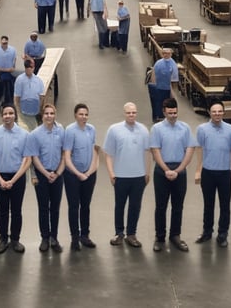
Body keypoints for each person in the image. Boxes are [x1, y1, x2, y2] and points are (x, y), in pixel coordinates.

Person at [150, 97, 196, 253]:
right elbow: (155, 151)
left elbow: (190, 150)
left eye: (175, 113)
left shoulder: (185, 128)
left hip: (179, 169)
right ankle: (160, 237)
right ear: (164, 112)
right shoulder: (156, 129)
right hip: (162, 170)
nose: (173, 116)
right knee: (161, 206)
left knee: (178, 206)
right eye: (170, 113)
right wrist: (166, 170)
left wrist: (178, 170)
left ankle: (175, 235)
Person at [103, 102, 150, 248]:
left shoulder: (143, 130)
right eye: (129, 113)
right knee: (120, 205)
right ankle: (119, 233)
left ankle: (131, 234)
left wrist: (147, 172)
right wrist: (111, 173)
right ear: (124, 113)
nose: (131, 115)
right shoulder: (114, 130)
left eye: (134, 112)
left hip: (139, 176)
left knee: (135, 206)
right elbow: (108, 154)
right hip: (120, 176)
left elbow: (148, 153)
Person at [0, 104, 31, 254]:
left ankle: (15, 240)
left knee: (16, 210)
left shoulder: (24, 135)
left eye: (11, 113)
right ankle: (3, 239)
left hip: (17, 177)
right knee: (2, 211)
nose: (8, 116)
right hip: (0, 177)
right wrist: (0, 179)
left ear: (15, 115)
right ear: (2, 116)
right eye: (5, 113)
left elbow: (27, 160)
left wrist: (14, 180)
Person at [195, 101, 231, 247]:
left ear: (224, 112)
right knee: (208, 204)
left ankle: (223, 233)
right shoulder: (202, 129)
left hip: (224, 173)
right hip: (208, 172)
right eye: (214, 111)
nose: (217, 114)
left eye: (220, 111)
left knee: (225, 205)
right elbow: (200, 149)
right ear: (209, 112)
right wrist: (198, 169)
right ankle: (207, 231)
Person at [26, 104, 66, 253]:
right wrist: (43, 173)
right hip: (42, 176)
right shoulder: (35, 134)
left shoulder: (61, 131)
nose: (49, 116)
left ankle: (54, 238)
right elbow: (34, 157)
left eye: (52, 113)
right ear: (42, 116)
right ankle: (44, 237)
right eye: (46, 113)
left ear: (55, 115)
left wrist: (58, 173)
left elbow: (64, 154)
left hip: (57, 175)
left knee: (55, 208)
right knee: (43, 208)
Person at [63, 103, 99, 251]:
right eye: (81, 114)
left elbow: (94, 151)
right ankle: (74, 238)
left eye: (86, 114)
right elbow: (67, 156)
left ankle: (85, 235)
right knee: (74, 206)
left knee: (85, 205)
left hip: (89, 174)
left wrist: (89, 172)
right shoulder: (70, 131)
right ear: (75, 115)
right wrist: (78, 174)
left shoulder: (91, 130)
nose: (84, 117)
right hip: (72, 175)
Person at [14, 59, 45, 131]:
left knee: (35, 129)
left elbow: (41, 96)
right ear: (25, 68)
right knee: (24, 130)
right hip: (24, 111)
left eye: (31, 68)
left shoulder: (38, 80)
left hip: (35, 110)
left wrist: (40, 108)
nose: (29, 70)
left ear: (33, 68)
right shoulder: (20, 80)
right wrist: (18, 111)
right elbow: (17, 97)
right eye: (28, 68)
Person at [149, 48, 179, 123]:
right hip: (157, 88)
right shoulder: (158, 63)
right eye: (164, 53)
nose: (166, 55)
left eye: (168, 53)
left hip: (166, 89)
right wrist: (154, 85)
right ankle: (156, 117)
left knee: (165, 104)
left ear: (171, 54)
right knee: (156, 103)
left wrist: (173, 92)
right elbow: (153, 73)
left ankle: (164, 118)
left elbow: (174, 80)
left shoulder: (173, 65)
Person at [0, 35, 17, 112]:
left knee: (10, 88)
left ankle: (9, 103)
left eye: (5, 43)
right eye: (3, 43)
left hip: (9, 72)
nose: (4, 44)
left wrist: (13, 67)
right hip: (0, 72)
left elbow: (14, 58)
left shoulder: (12, 50)